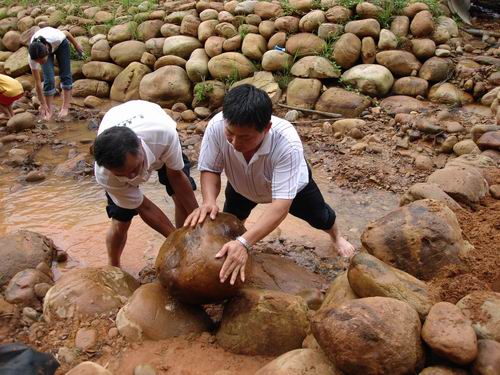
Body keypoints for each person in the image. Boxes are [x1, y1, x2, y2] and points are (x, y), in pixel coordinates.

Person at [185, 84, 356, 285]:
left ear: (266, 128)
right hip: (241, 184)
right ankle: (237, 247)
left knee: (321, 217)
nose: (235, 144)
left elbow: (280, 206)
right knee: (231, 222)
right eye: (230, 133)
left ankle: (336, 237)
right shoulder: (216, 126)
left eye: (245, 137)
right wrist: (209, 201)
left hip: (294, 188)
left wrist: (245, 243)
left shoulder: (287, 143)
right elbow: (211, 169)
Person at [93, 100, 198, 268]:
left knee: (181, 198)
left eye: (135, 169)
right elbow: (144, 207)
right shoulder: (105, 174)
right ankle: (113, 265)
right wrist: (173, 241)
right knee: (121, 220)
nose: (132, 177)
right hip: (118, 123)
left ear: (141, 147)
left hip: (152, 123)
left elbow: (176, 176)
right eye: (123, 175)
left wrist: (199, 220)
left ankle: (187, 240)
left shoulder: (163, 136)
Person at [28, 27, 84, 121]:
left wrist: (76, 45)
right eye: (38, 62)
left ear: (47, 52)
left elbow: (66, 32)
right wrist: (43, 104)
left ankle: (65, 107)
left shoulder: (57, 37)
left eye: (42, 61)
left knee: (65, 74)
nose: (40, 63)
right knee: (49, 79)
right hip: (43, 48)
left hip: (61, 45)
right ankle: (49, 110)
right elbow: (37, 83)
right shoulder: (32, 57)